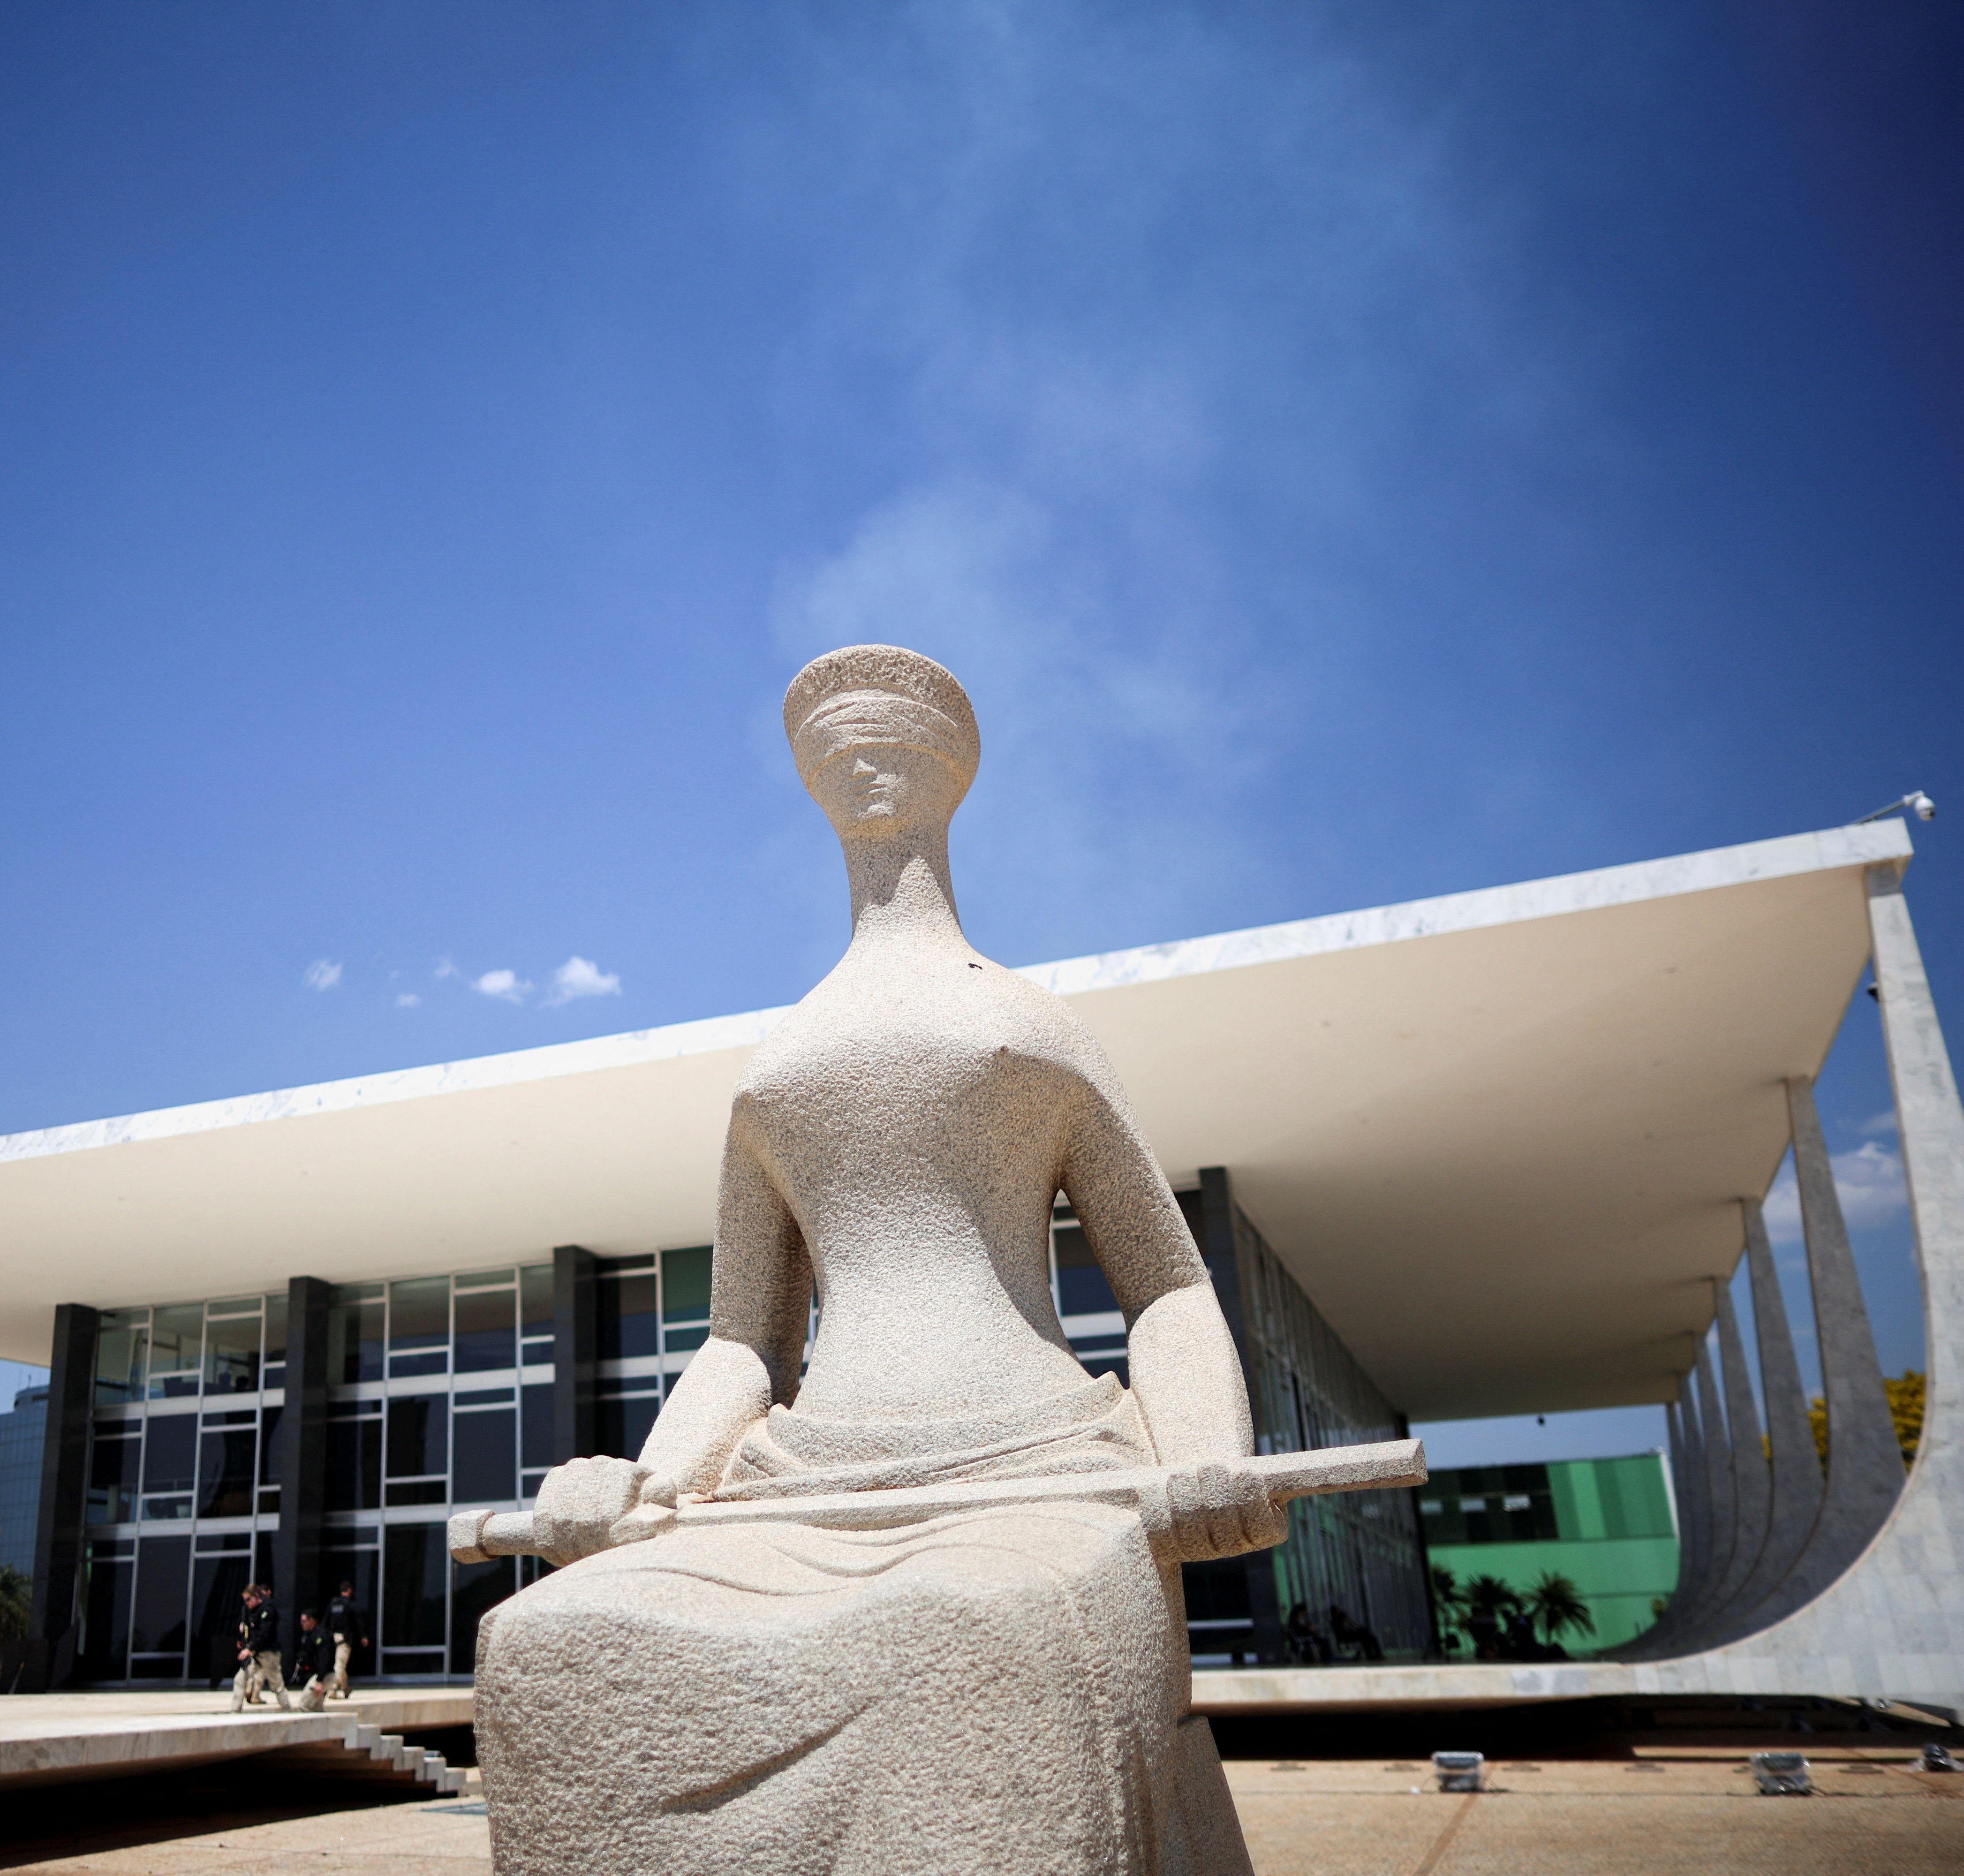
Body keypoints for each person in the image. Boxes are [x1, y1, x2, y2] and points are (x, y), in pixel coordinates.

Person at [475, 647, 1283, 1876]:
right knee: (554, 1645)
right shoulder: (777, 1068)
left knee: (963, 1632)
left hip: (1034, 1471)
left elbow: (1167, 1282)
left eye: (893, 730)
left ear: (958, 768)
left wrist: (1211, 1454)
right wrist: (643, 1483)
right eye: (830, 742)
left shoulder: (1029, 1025)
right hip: (799, 1486)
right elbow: (744, 1341)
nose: (859, 753)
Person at [228, 1583, 288, 1713]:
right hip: (256, 1655)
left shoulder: (268, 1609)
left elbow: (265, 1633)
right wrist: (243, 1641)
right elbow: (247, 1628)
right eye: (245, 1600)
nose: (247, 1603)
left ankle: (287, 1709)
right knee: (240, 1680)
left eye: (249, 1600)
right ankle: (235, 1710)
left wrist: (250, 1649)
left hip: (268, 1655)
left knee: (277, 1686)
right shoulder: (250, 1611)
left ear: (256, 1596)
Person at [323, 1579, 367, 1700]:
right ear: (350, 1591)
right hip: (344, 1639)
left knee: (338, 1665)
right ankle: (334, 1689)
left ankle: (344, 1688)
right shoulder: (350, 1605)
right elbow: (358, 1622)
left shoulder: (333, 1603)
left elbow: (326, 1622)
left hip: (332, 1639)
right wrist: (363, 1636)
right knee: (340, 1666)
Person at [285, 1611, 333, 1710]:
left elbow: (324, 1659)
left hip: (324, 1676)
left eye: (304, 1621)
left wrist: (320, 1681)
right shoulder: (309, 1635)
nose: (301, 1624)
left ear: (312, 1621)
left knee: (304, 1705)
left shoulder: (321, 1636)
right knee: (317, 1708)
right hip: (320, 1675)